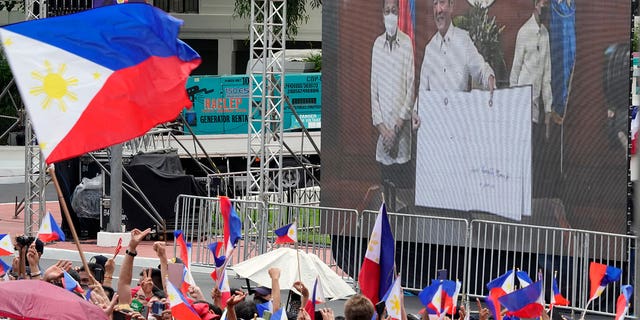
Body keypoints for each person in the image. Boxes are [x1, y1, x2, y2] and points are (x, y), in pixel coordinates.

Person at [370, 0, 416, 210]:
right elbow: (374, 93)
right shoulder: (377, 45)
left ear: (399, 14)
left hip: (401, 134)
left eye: (394, 11)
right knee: (386, 199)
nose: (390, 15)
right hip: (383, 136)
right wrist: (384, 131)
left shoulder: (406, 43)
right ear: (382, 14)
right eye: (387, 11)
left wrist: (396, 130)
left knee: (403, 199)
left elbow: (411, 88)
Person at [416, 0, 495, 93]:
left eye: (442, 2)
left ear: (451, 6)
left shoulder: (463, 40)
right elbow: (422, 94)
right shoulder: (430, 49)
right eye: (435, 4)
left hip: (458, 106)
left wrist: (490, 78)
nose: (438, 10)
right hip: (436, 107)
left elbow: (481, 69)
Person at [510, 0, 552, 131]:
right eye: (543, 5)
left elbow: (546, 75)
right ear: (536, 5)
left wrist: (548, 110)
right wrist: (513, 103)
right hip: (521, 103)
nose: (545, 8)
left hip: (536, 105)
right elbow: (515, 70)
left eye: (548, 6)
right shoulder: (524, 31)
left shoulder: (545, 34)